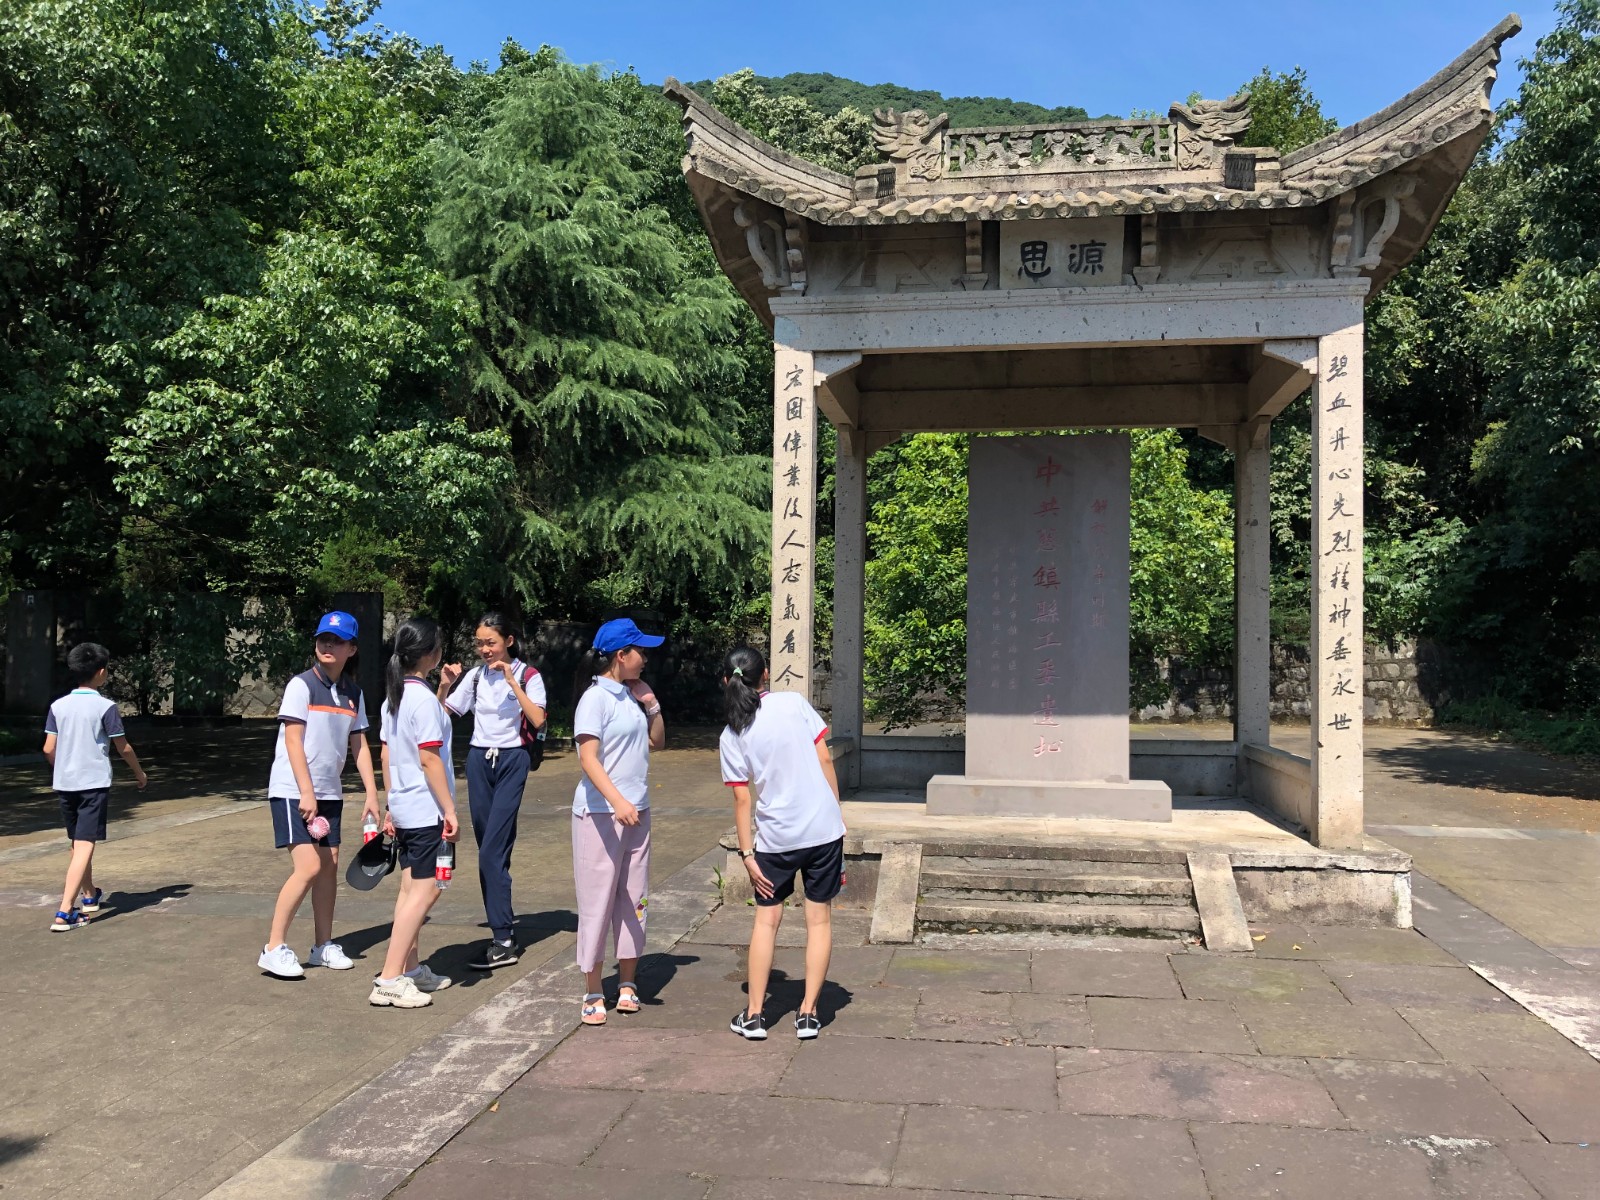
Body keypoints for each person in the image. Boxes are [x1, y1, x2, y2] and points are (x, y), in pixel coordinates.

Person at [719, 646, 846, 1041]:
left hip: (776, 838)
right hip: (823, 830)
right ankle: (808, 1014)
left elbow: (742, 799)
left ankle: (755, 1015)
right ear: (766, 674)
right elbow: (825, 760)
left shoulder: (732, 733)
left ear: (726, 681)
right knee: (818, 920)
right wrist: (835, 813)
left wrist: (747, 854)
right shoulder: (794, 704)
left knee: (767, 920)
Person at [257, 611, 379, 979]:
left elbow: (359, 745)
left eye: (337, 641)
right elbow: (293, 741)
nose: (328, 645)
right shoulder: (301, 685)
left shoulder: (353, 693)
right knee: (309, 866)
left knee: (328, 866)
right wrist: (306, 793)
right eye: (324, 638)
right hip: (292, 791)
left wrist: (372, 793)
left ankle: (322, 946)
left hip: (330, 792)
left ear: (351, 649)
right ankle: (273, 947)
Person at [439, 612, 547, 970]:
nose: (485, 650)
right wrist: (444, 686)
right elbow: (440, 716)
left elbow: (538, 719)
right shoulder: (475, 677)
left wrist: (512, 681)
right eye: (480, 643)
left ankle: (503, 938)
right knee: (491, 850)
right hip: (478, 761)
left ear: (509, 641)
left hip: (513, 760)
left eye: (491, 643)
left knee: (490, 853)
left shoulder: (529, 676)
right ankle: (503, 933)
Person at [571, 618, 665, 1025]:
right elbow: (588, 758)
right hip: (600, 815)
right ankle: (593, 989)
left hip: (637, 812)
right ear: (621, 655)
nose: (645, 657)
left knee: (634, 897)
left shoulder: (631, 696)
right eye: (639, 650)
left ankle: (627, 983)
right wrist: (617, 802)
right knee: (597, 901)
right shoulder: (595, 698)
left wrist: (652, 704)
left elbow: (657, 741)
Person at [373, 616, 461, 1008]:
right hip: (426, 811)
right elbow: (429, 758)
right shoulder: (419, 699)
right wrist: (450, 809)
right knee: (426, 891)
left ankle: (407, 969)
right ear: (432, 654)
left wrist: (391, 803)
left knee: (411, 890)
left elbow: (388, 754)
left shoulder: (396, 697)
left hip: (407, 807)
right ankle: (389, 978)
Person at [42, 642, 147, 931]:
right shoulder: (105, 707)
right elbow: (123, 747)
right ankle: (65, 911)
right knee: (85, 843)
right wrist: (139, 773)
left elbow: (48, 748)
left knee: (77, 842)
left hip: (65, 783)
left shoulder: (58, 706)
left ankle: (89, 895)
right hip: (93, 783)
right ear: (101, 672)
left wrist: (62, 768)